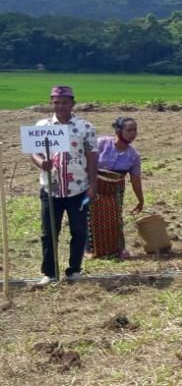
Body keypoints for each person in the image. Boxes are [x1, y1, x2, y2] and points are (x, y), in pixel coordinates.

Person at [31, 85, 97, 285]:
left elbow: (92, 157)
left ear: (72, 104)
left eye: (64, 102)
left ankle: (74, 270)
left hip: (78, 188)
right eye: (56, 102)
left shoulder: (85, 127)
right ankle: (49, 273)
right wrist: (41, 162)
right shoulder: (42, 126)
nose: (60, 106)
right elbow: (33, 153)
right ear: (51, 103)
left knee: (79, 230)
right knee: (49, 232)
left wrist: (93, 184)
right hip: (50, 188)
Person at [89, 117, 144, 259]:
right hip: (95, 187)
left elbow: (135, 179)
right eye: (129, 130)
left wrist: (140, 200)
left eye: (135, 130)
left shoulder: (133, 155)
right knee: (93, 220)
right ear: (119, 130)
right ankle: (92, 250)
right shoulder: (102, 143)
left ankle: (116, 249)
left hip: (115, 190)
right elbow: (88, 165)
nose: (133, 133)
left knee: (115, 219)